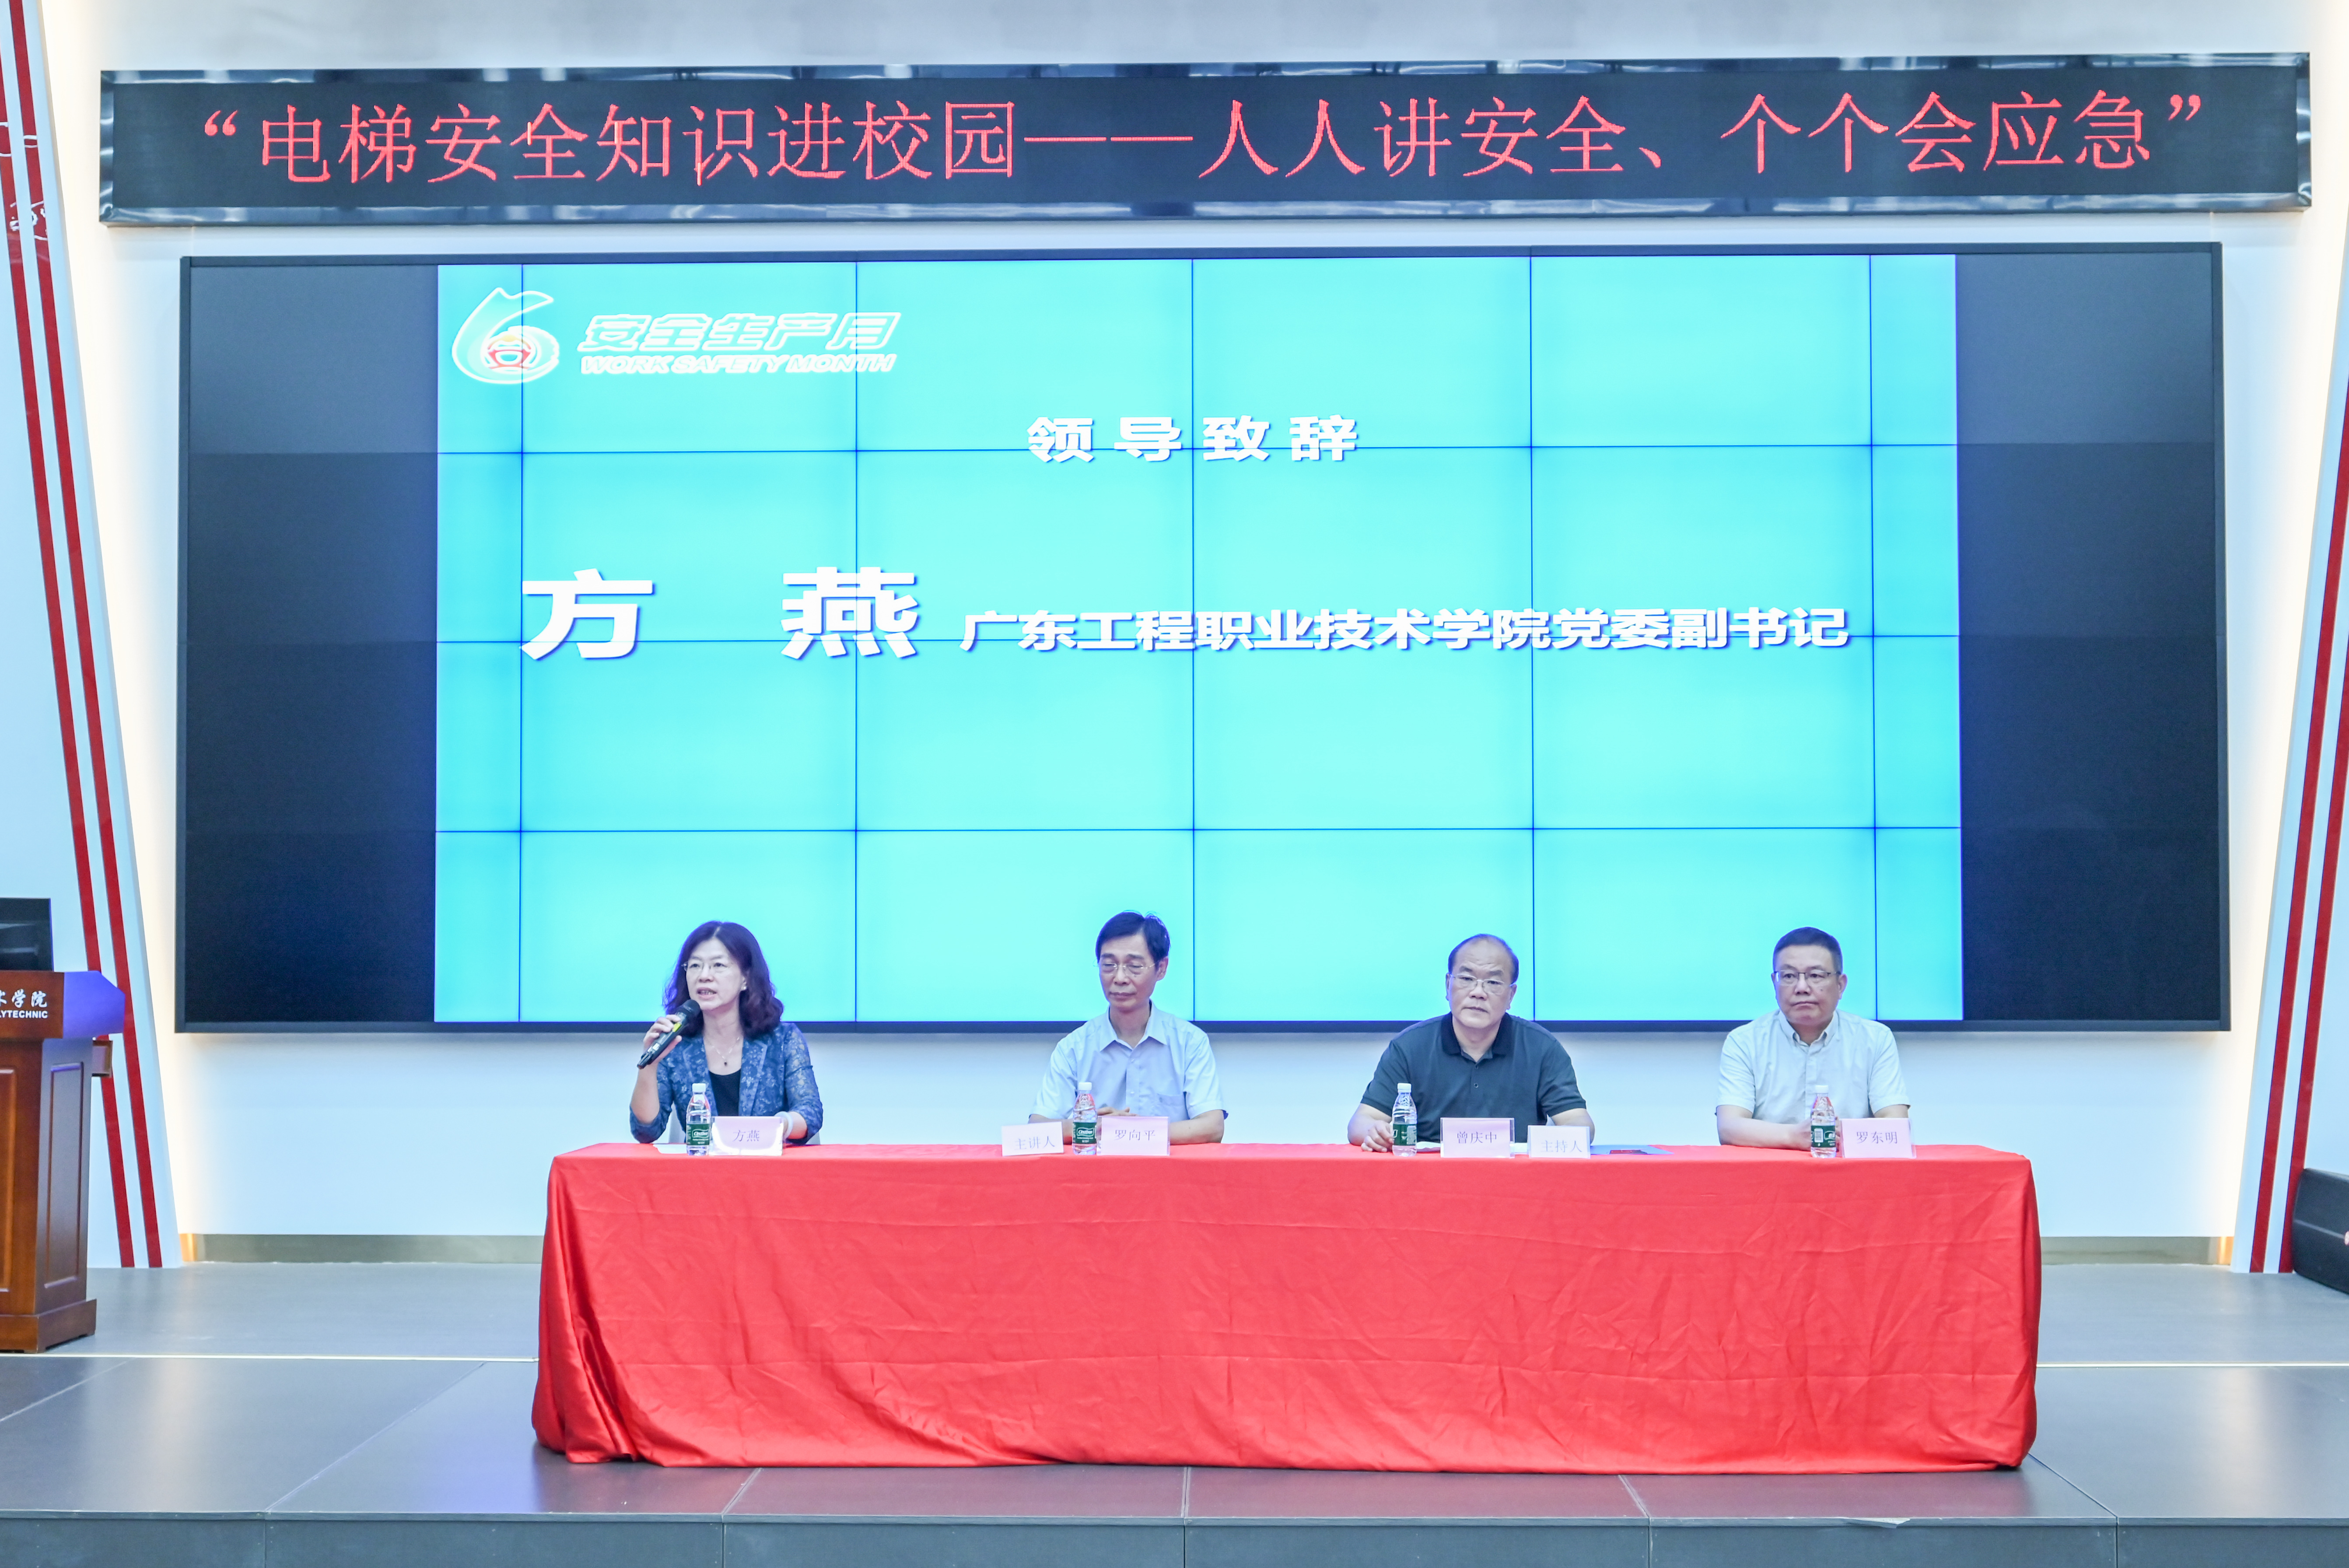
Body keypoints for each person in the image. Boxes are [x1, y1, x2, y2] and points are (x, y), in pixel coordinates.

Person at [1349, 934, 1593, 1149]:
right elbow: (1361, 1122)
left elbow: (1579, 1123)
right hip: (1428, 1178)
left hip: (1516, 1177)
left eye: (1493, 983)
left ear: (1511, 995)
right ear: (1448, 985)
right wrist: (1375, 1132)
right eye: (1466, 978)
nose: (1478, 992)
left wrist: (1552, 1141)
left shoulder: (1542, 1048)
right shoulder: (1410, 1047)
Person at [1030, 912, 1226, 1144]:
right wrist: (1093, 1126)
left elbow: (1213, 1127)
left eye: (1134, 966)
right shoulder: (1074, 1048)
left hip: (1166, 1167)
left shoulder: (1190, 1043)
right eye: (1109, 965)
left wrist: (1134, 1131)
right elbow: (1037, 1128)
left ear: (1161, 969)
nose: (1120, 978)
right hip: (1096, 1168)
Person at [631, 920, 823, 1144]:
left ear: (746, 979)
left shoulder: (783, 1040)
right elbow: (646, 1131)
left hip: (767, 1163)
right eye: (695, 966)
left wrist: (781, 1125)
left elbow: (810, 1112)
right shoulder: (676, 1044)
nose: (704, 976)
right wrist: (650, 1065)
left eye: (718, 965)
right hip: (701, 1165)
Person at [1716, 926, 1909, 1148]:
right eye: (1789, 976)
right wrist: (1793, 1136)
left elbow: (1896, 1124)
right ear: (1774, 983)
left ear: (1841, 985)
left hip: (1847, 1167)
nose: (1801, 988)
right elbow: (1730, 1127)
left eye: (1816, 976)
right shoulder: (1744, 1042)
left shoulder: (1875, 1039)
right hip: (1770, 1167)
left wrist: (1835, 1136)